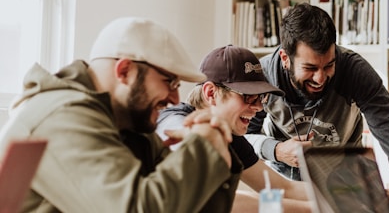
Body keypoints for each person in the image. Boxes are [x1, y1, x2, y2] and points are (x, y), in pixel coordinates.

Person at [0, 17, 240, 212]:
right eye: (169, 82)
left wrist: (217, 147)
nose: (175, 99)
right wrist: (201, 146)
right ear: (124, 70)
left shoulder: (128, 124)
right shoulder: (62, 117)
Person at [245, 2, 389, 206]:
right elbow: (242, 138)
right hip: (286, 188)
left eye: (329, 65)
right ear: (286, 58)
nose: (320, 78)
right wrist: (276, 150)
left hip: (346, 184)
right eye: (310, 68)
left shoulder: (355, 71)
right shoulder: (263, 76)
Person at [156, 45, 312, 213]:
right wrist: (311, 209)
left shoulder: (230, 135)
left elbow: (283, 188)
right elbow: (219, 200)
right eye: (248, 96)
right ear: (210, 93)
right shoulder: (173, 119)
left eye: (261, 97)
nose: (259, 107)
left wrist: (338, 193)